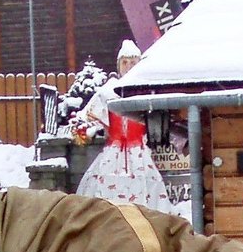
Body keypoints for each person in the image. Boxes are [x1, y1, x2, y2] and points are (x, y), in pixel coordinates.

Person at [73, 40, 171, 211]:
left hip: (139, 154)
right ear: (119, 65)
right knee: (103, 190)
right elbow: (88, 118)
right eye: (125, 62)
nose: (129, 66)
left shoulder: (145, 91)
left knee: (147, 189)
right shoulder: (108, 91)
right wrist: (85, 130)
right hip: (112, 153)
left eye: (133, 62)